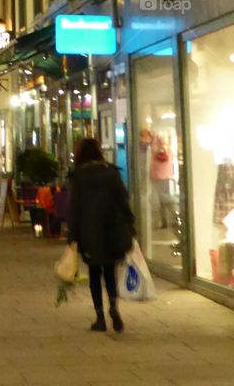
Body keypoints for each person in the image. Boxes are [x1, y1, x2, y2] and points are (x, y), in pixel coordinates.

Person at [67, 137, 135, 333]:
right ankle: (113, 305)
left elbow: (73, 208)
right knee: (110, 271)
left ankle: (100, 318)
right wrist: (130, 223)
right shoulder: (111, 173)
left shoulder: (78, 176)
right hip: (111, 230)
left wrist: (72, 235)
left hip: (89, 232)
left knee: (94, 274)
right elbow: (124, 200)